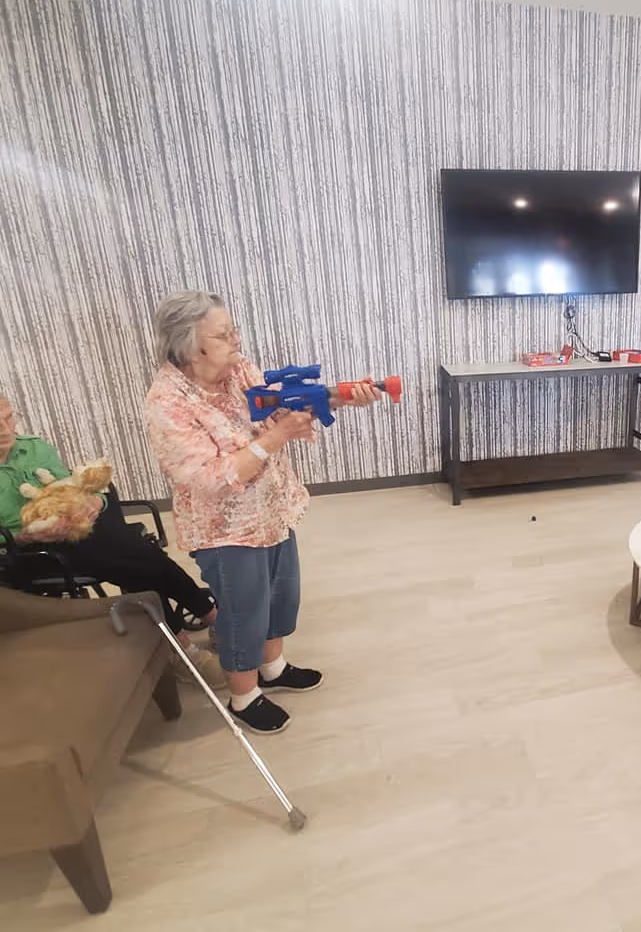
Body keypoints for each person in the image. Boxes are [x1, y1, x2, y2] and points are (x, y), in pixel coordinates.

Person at [143, 291, 380, 734]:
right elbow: (208, 478)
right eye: (223, 334)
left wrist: (341, 396)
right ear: (191, 346)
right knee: (243, 612)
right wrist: (276, 437)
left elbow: (282, 402)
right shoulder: (167, 403)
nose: (236, 339)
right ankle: (244, 696)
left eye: (233, 329)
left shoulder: (238, 370)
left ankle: (273, 669)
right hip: (225, 528)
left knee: (281, 595)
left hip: (272, 508)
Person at [0, 392, 225, 688]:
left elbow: (70, 487)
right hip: (26, 552)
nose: (6, 430)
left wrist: (95, 501)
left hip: (75, 527)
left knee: (131, 549)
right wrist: (22, 537)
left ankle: (190, 634)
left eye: (9, 418)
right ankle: (198, 631)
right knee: (134, 559)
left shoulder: (34, 447)